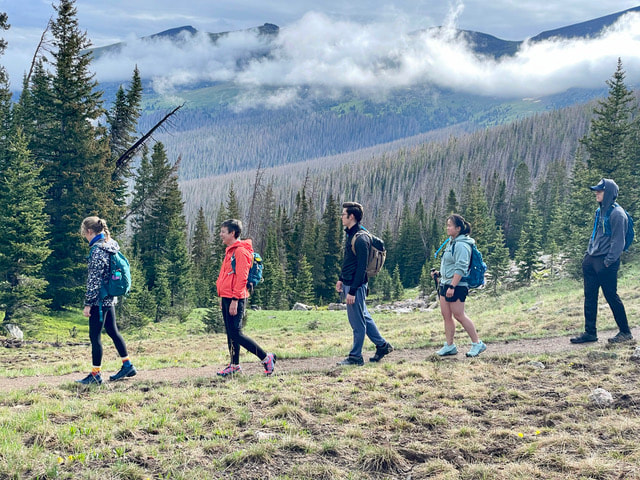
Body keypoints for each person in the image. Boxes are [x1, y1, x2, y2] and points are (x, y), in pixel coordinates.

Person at [571, 178, 633, 344]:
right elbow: (596, 235)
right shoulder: (600, 211)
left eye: (600, 191)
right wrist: (588, 256)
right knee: (590, 297)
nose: (597, 193)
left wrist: (608, 261)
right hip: (592, 260)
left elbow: (618, 242)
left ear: (609, 193)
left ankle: (625, 332)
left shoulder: (618, 214)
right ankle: (590, 333)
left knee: (611, 296)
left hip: (606, 263)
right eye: (596, 190)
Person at [77, 217, 137, 385]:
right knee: (112, 331)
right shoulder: (110, 245)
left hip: (99, 302)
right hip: (110, 299)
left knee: (94, 336)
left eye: (84, 233)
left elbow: (94, 281)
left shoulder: (97, 250)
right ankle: (127, 365)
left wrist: (88, 303)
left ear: (90, 232)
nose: (84, 236)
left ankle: (95, 375)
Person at [216, 219, 276, 376]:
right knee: (231, 333)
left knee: (236, 333)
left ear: (233, 233)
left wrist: (235, 300)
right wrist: (222, 297)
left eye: (223, 231)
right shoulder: (230, 250)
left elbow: (242, 277)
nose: (220, 234)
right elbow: (226, 276)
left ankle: (266, 357)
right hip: (227, 297)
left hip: (236, 298)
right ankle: (234, 365)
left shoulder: (240, 251)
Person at [336, 202, 393, 366]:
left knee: (357, 322)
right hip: (350, 283)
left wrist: (352, 291)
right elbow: (349, 261)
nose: (341, 217)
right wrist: (341, 279)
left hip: (356, 285)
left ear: (351, 216)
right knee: (364, 317)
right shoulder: (352, 235)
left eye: (343, 214)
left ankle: (355, 357)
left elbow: (361, 269)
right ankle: (382, 346)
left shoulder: (361, 239)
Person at [431, 214, 486, 357]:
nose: (447, 228)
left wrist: (453, 286)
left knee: (459, 315)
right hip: (446, 283)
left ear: (458, 228)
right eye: (447, 225)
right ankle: (449, 346)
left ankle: (477, 343)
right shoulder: (452, 242)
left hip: (457, 285)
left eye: (450, 225)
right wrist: (440, 274)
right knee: (446, 315)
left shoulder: (462, 245)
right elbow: (450, 264)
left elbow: (461, 267)